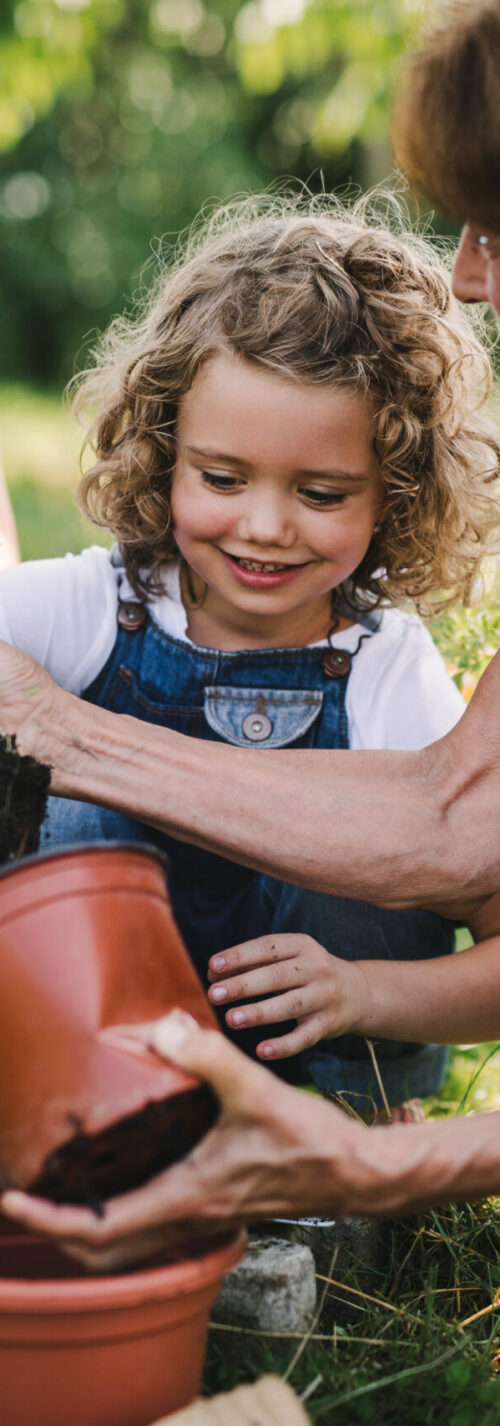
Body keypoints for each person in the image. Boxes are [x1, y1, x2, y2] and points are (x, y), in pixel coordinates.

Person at [4, 0, 500, 1265]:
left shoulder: (383, 668)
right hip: (83, 1062)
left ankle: (295, 1214)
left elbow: (475, 886)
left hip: (314, 1083)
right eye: (221, 477)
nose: (265, 526)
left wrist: (373, 995)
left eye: (321, 494)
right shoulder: (92, 603)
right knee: (60, 819)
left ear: (396, 490)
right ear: (161, 448)